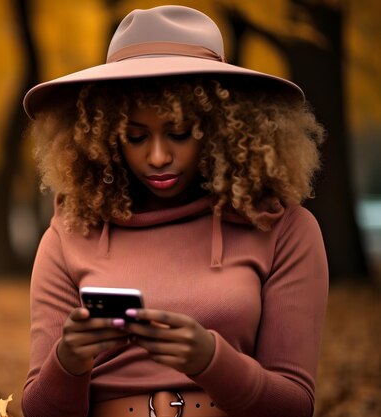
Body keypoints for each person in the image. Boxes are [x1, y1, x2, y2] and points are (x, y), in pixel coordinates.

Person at [21, 5, 328, 417]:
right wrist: (69, 361)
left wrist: (211, 361)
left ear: (224, 128)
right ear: (103, 137)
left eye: (180, 133)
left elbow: (294, 405)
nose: (159, 156)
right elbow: (40, 411)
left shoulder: (282, 228)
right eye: (135, 137)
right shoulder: (69, 233)